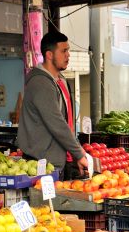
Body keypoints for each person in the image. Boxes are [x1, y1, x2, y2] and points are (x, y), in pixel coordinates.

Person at [18, 31, 88, 180]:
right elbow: (56, 122)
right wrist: (79, 153)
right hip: (43, 164)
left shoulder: (60, 81)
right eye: (63, 51)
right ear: (49, 55)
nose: (68, 55)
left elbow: (67, 123)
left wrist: (74, 153)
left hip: (59, 160)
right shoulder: (40, 83)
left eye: (68, 50)